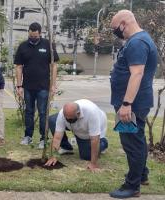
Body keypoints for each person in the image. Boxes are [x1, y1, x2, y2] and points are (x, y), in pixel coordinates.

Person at [109, 10, 157, 199]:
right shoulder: (139, 39)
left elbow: (136, 74)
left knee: (131, 143)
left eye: (115, 29)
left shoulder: (137, 42)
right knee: (138, 140)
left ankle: (132, 186)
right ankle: (141, 174)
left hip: (132, 104)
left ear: (123, 24)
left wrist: (126, 104)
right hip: (136, 102)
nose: (115, 32)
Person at [14, 22, 59, 148]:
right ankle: (28, 136)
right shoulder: (23, 46)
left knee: (43, 112)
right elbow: (18, 67)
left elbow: (54, 66)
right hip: (28, 86)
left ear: (40, 33)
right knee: (29, 111)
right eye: (31, 36)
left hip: (43, 86)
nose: (33, 38)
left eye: (35, 36)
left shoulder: (48, 45)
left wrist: (53, 85)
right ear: (28, 32)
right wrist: (19, 86)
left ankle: (43, 139)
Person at [45, 99, 108, 172]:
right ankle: (66, 147)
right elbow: (57, 138)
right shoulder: (62, 114)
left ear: (78, 113)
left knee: (87, 156)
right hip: (78, 128)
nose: (68, 120)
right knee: (53, 120)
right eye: (66, 118)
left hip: (90, 131)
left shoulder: (91, 113)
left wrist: (93, 163)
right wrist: (53, 156)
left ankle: (104, 143)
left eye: (70, 119)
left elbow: (94, 139)